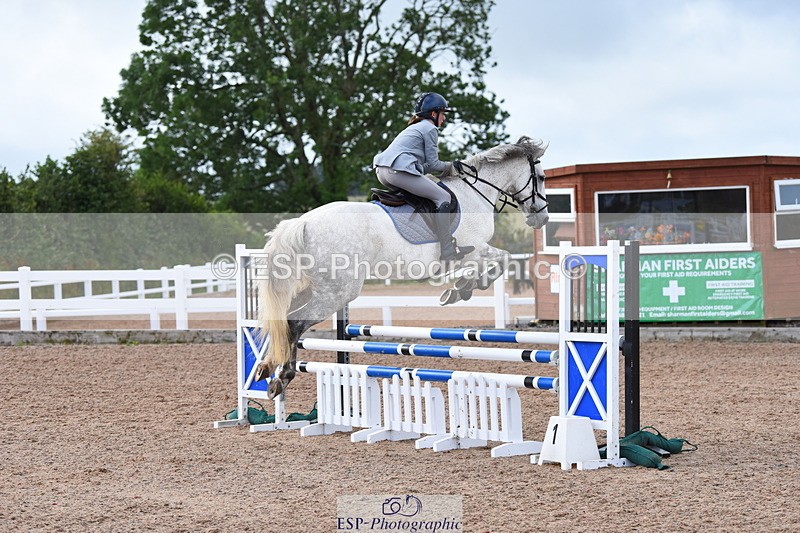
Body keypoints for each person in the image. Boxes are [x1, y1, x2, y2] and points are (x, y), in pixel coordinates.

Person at [373, 92, 472, 261]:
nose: (444, 118)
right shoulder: (430, 128)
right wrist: (453, 166)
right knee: (443, 197)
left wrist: (449, 166)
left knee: (424, 195)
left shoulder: (415, 127)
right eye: (443, 114)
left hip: (383, 171)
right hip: (397, 172)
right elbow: (434, 165)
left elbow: (423, 167)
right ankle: (447, 249)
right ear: (433, 114)